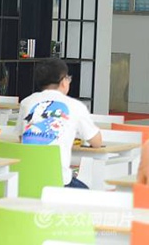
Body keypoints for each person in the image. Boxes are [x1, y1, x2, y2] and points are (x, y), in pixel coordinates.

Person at [17, 59, 102, 189]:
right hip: (58, 182)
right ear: (63, 82)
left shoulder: (26, 102)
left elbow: (21, 138)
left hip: (25, 180)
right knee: (90, 195)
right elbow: (97, 142)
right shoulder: (75, 106)